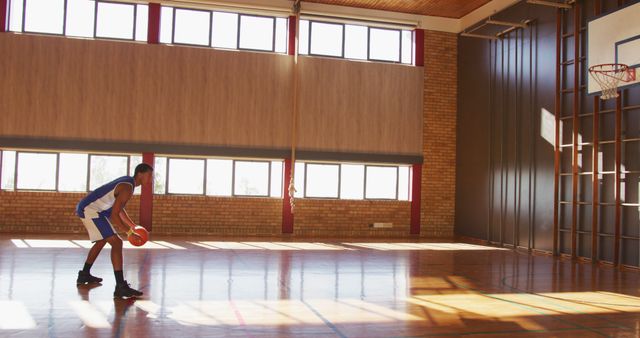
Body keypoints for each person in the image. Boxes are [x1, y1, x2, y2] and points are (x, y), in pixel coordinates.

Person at [75, 163, 153, 299]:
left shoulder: (128, 183)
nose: (151, 179)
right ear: (140, 173)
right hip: (90, 209)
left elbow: (119, 209)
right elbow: (114, 215)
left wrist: (133, 226)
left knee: (101, 241)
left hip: (96, 210)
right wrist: (129, 232)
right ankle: (120, 286)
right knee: (117, 243)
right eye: (149, 175)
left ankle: (84, 274)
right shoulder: (128, 187)